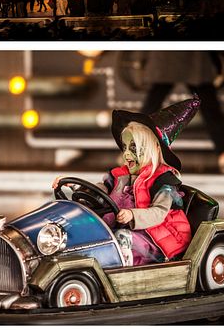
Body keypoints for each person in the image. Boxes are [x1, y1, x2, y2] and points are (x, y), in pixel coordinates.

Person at [55, 98, 195, 267]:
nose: (127, 154)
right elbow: (100, 190)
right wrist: (78, 186)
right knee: (88, 231)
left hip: (156, 237)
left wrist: (132, 215)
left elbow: (158, 213)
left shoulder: (163, 180)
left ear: (154, 148)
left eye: (134, 148)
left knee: (120, 239)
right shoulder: (119, 175)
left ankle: (121, 275)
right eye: (125, 147)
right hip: (125, 228)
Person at [140, 52, 224, 174]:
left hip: (172, 56)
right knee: (209, 104)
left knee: (155, 99)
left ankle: (134, 149)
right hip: (190, 56)